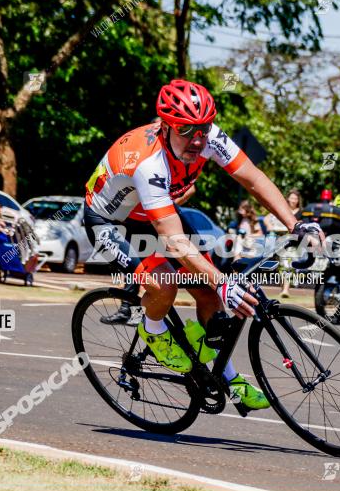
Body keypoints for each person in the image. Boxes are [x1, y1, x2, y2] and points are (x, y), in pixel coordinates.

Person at [83, 79, 323, 411]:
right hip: (112, 222)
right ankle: (153, 329)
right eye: (186, 130)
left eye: (203, 128)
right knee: (165, 287)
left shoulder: (209, 137)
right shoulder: (148, 164)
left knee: (209, 292)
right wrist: (223, 281)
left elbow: (251, 177)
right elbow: (174, 240)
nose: (197, 139)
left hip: (152, 213)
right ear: (166, 126)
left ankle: (227, 377)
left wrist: (295, 223)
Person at [264, 189, 303, 297]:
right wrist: (269, 226)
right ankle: (283, 289)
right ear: (288, 198)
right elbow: (267, 218)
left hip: (293, 242)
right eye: (292, 197)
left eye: (296, 198)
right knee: (281, 266)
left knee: (288, 264)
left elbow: (302, 224)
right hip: (279, 240)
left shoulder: (301, 212)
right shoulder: (283, 210)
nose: (294, 200)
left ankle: (286, 290)